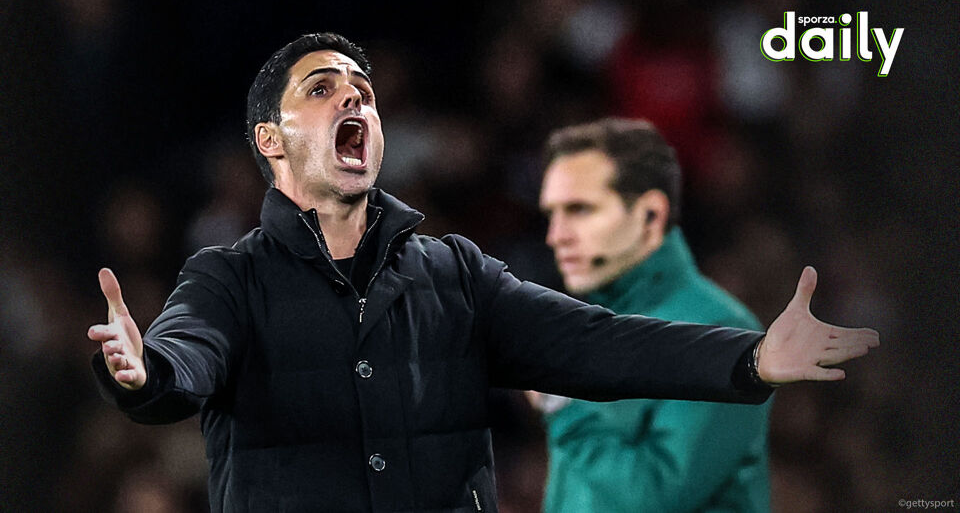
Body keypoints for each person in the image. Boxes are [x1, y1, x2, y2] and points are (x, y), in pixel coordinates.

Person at [87, 32, 878, 513]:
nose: (354, 102)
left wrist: (749, 358)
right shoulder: (227, 280)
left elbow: (601, 344)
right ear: (270, 141)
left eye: (364, 93)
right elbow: (186, 358)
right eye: (322, 90)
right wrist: (146, 370)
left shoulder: (456, 276)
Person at [531, 118, 769, 512]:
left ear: (650, 215)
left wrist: (563, 407)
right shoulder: (584, 328)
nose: (556, 236)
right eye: (552, 214)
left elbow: (656, 498)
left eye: (580, 209)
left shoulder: (723, 334)